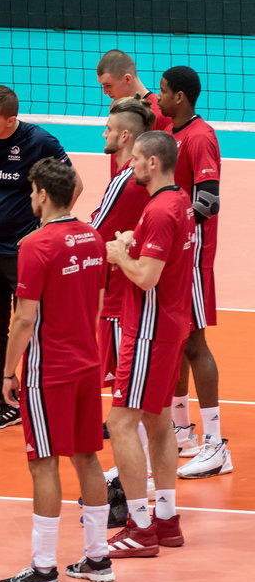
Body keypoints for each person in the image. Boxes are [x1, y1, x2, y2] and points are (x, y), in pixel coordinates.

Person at [0, 158, 113, 582]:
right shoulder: (94, 237)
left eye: (32, 191)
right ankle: (98, 557)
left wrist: (8, 372)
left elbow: (24, 320)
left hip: (50, 372)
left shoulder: (36, 245)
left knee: (42, 463)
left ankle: (44, 570)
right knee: (87, 457)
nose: (30, 198)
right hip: (87, 363)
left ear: (43, 195)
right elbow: (97, 302)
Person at [0, 85, 82, 431]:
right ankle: (7, 402)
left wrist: (44, 229)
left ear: (11, 120)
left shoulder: (39, 141)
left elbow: (73, 184)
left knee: (34, 329)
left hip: (25, 254)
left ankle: (43, 399)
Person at [103, 131, 193, 559]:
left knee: (121, 424)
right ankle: (168, 520)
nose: (130, 164)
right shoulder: (180, 203)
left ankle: (140, 527)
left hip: (149, 333)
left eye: (136, 158)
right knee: (158, 424)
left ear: (153, 163)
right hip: (171, 325)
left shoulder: (158, 210)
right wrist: (131, 243)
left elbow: (146, 277)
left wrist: (119, 253)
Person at [157, 66, 231, 478]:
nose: (161, 98)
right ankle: (182, 429)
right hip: (177, 253)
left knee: (195, 342)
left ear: (181, 96)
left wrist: (167, 223)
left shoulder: (199, 137)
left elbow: (208, 202)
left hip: (193, 253)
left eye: (164, 92)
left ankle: (216, 443)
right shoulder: (175, 131)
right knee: (180, 340)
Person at [91, 97, 160, 498]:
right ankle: (140, 468)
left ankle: (140, 474)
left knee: (129, 395)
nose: (103, 133)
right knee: (140, 395)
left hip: (122, 299)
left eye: (108, 128)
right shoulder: (148, 182)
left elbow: (93, 233)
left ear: (126, 135)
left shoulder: (124, 180)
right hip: (135, 294)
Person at [96, 51, 173, 146]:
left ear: (127, 79)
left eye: (108, 85)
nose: (104, 92)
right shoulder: (118, 108)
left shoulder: (158, 114)